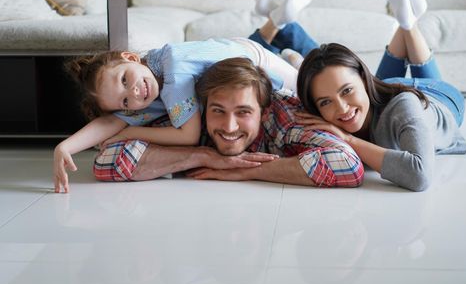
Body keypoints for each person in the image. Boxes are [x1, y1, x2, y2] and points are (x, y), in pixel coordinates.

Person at [53, 0, 316, 193]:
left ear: (131, 57)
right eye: (123, 102)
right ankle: (274, 21)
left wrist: (131, 132)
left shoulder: (174, 74)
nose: (133, 94)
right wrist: (64, 147)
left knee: (311, 88)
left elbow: (187, 137)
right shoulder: (145, 84)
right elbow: (110, 123)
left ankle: (292, 47)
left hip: (255, 59)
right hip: (225, 54)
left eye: (125, 80)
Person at [255, 0, 466, 191]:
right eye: (325, 101)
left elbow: (419, 176)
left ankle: (409, 22)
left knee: (342, 77)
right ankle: (407, 17)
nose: (342, 108)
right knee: (327, 69)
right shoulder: (336, 108)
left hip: (439, 97)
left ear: (365, 80)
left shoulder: (404, 106)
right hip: (386, 89)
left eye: (347, 91)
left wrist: (348, 139)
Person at [94, 57, 364, 188]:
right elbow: (107, 161)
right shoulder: (190, 116)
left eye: (244, 112)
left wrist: (246, 170)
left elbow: (348, 166)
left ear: (263, 110)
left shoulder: (285, 117)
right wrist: (204, 156)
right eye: (218, 111)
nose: (230, 127)